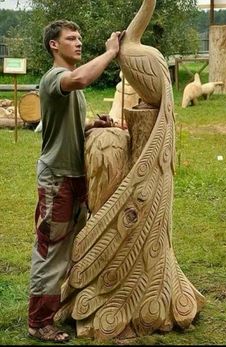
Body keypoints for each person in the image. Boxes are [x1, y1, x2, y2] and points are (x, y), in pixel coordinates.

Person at [28, 19, 122, 343]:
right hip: (57, 178)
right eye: (71, 38)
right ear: (55, 45)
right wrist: (111, 53)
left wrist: (93, 125)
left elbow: (69, 128)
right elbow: (81, 78)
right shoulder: (56, 78)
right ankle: (38, 322)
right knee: (51, 250)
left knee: (69, 247)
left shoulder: (69, 87)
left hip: (73, 176)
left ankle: (60, 307)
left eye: (80, 37)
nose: (78, 42)